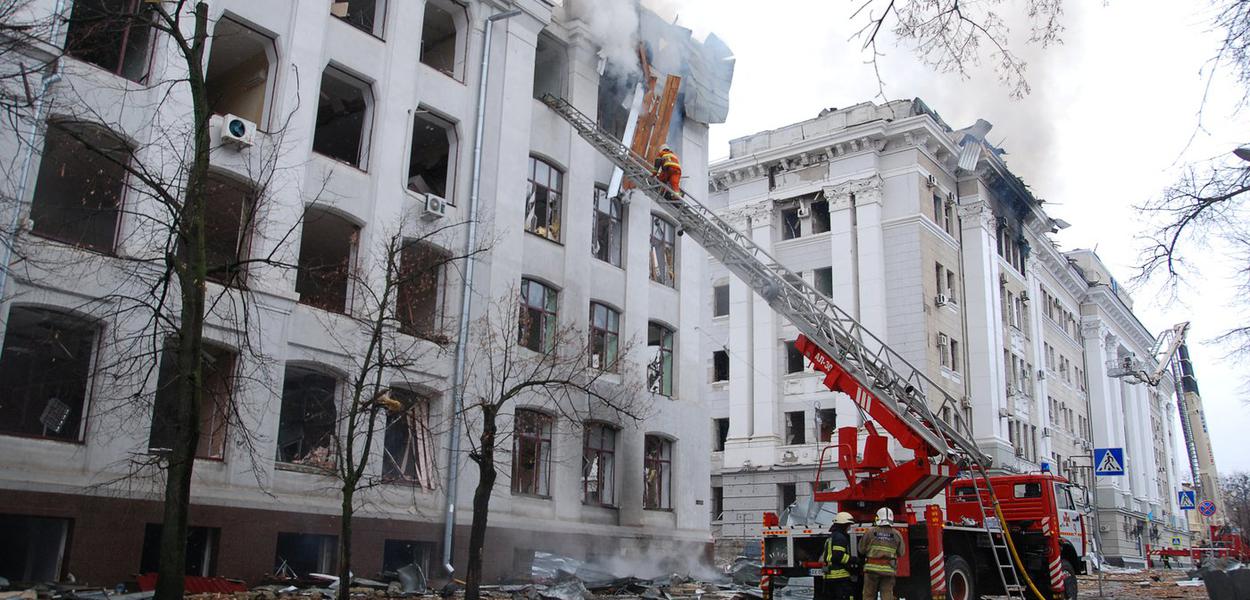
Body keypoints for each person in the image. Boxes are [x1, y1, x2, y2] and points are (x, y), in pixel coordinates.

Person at [859, 507, 905, 600]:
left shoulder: (870, 532)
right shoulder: (897, 534)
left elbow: (861, 550)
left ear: (878, 518)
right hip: (888, 571)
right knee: (887, 596)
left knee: (869, 596)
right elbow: (901, 552)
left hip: (871, 570)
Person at [819, 512, 856, 600]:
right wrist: (854, 560)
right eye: (848, 525)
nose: (849, 527)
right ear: (844, 525)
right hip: (839, 576)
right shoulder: (840, 537)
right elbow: (838, 556)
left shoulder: (831, 537)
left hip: (829, 576)